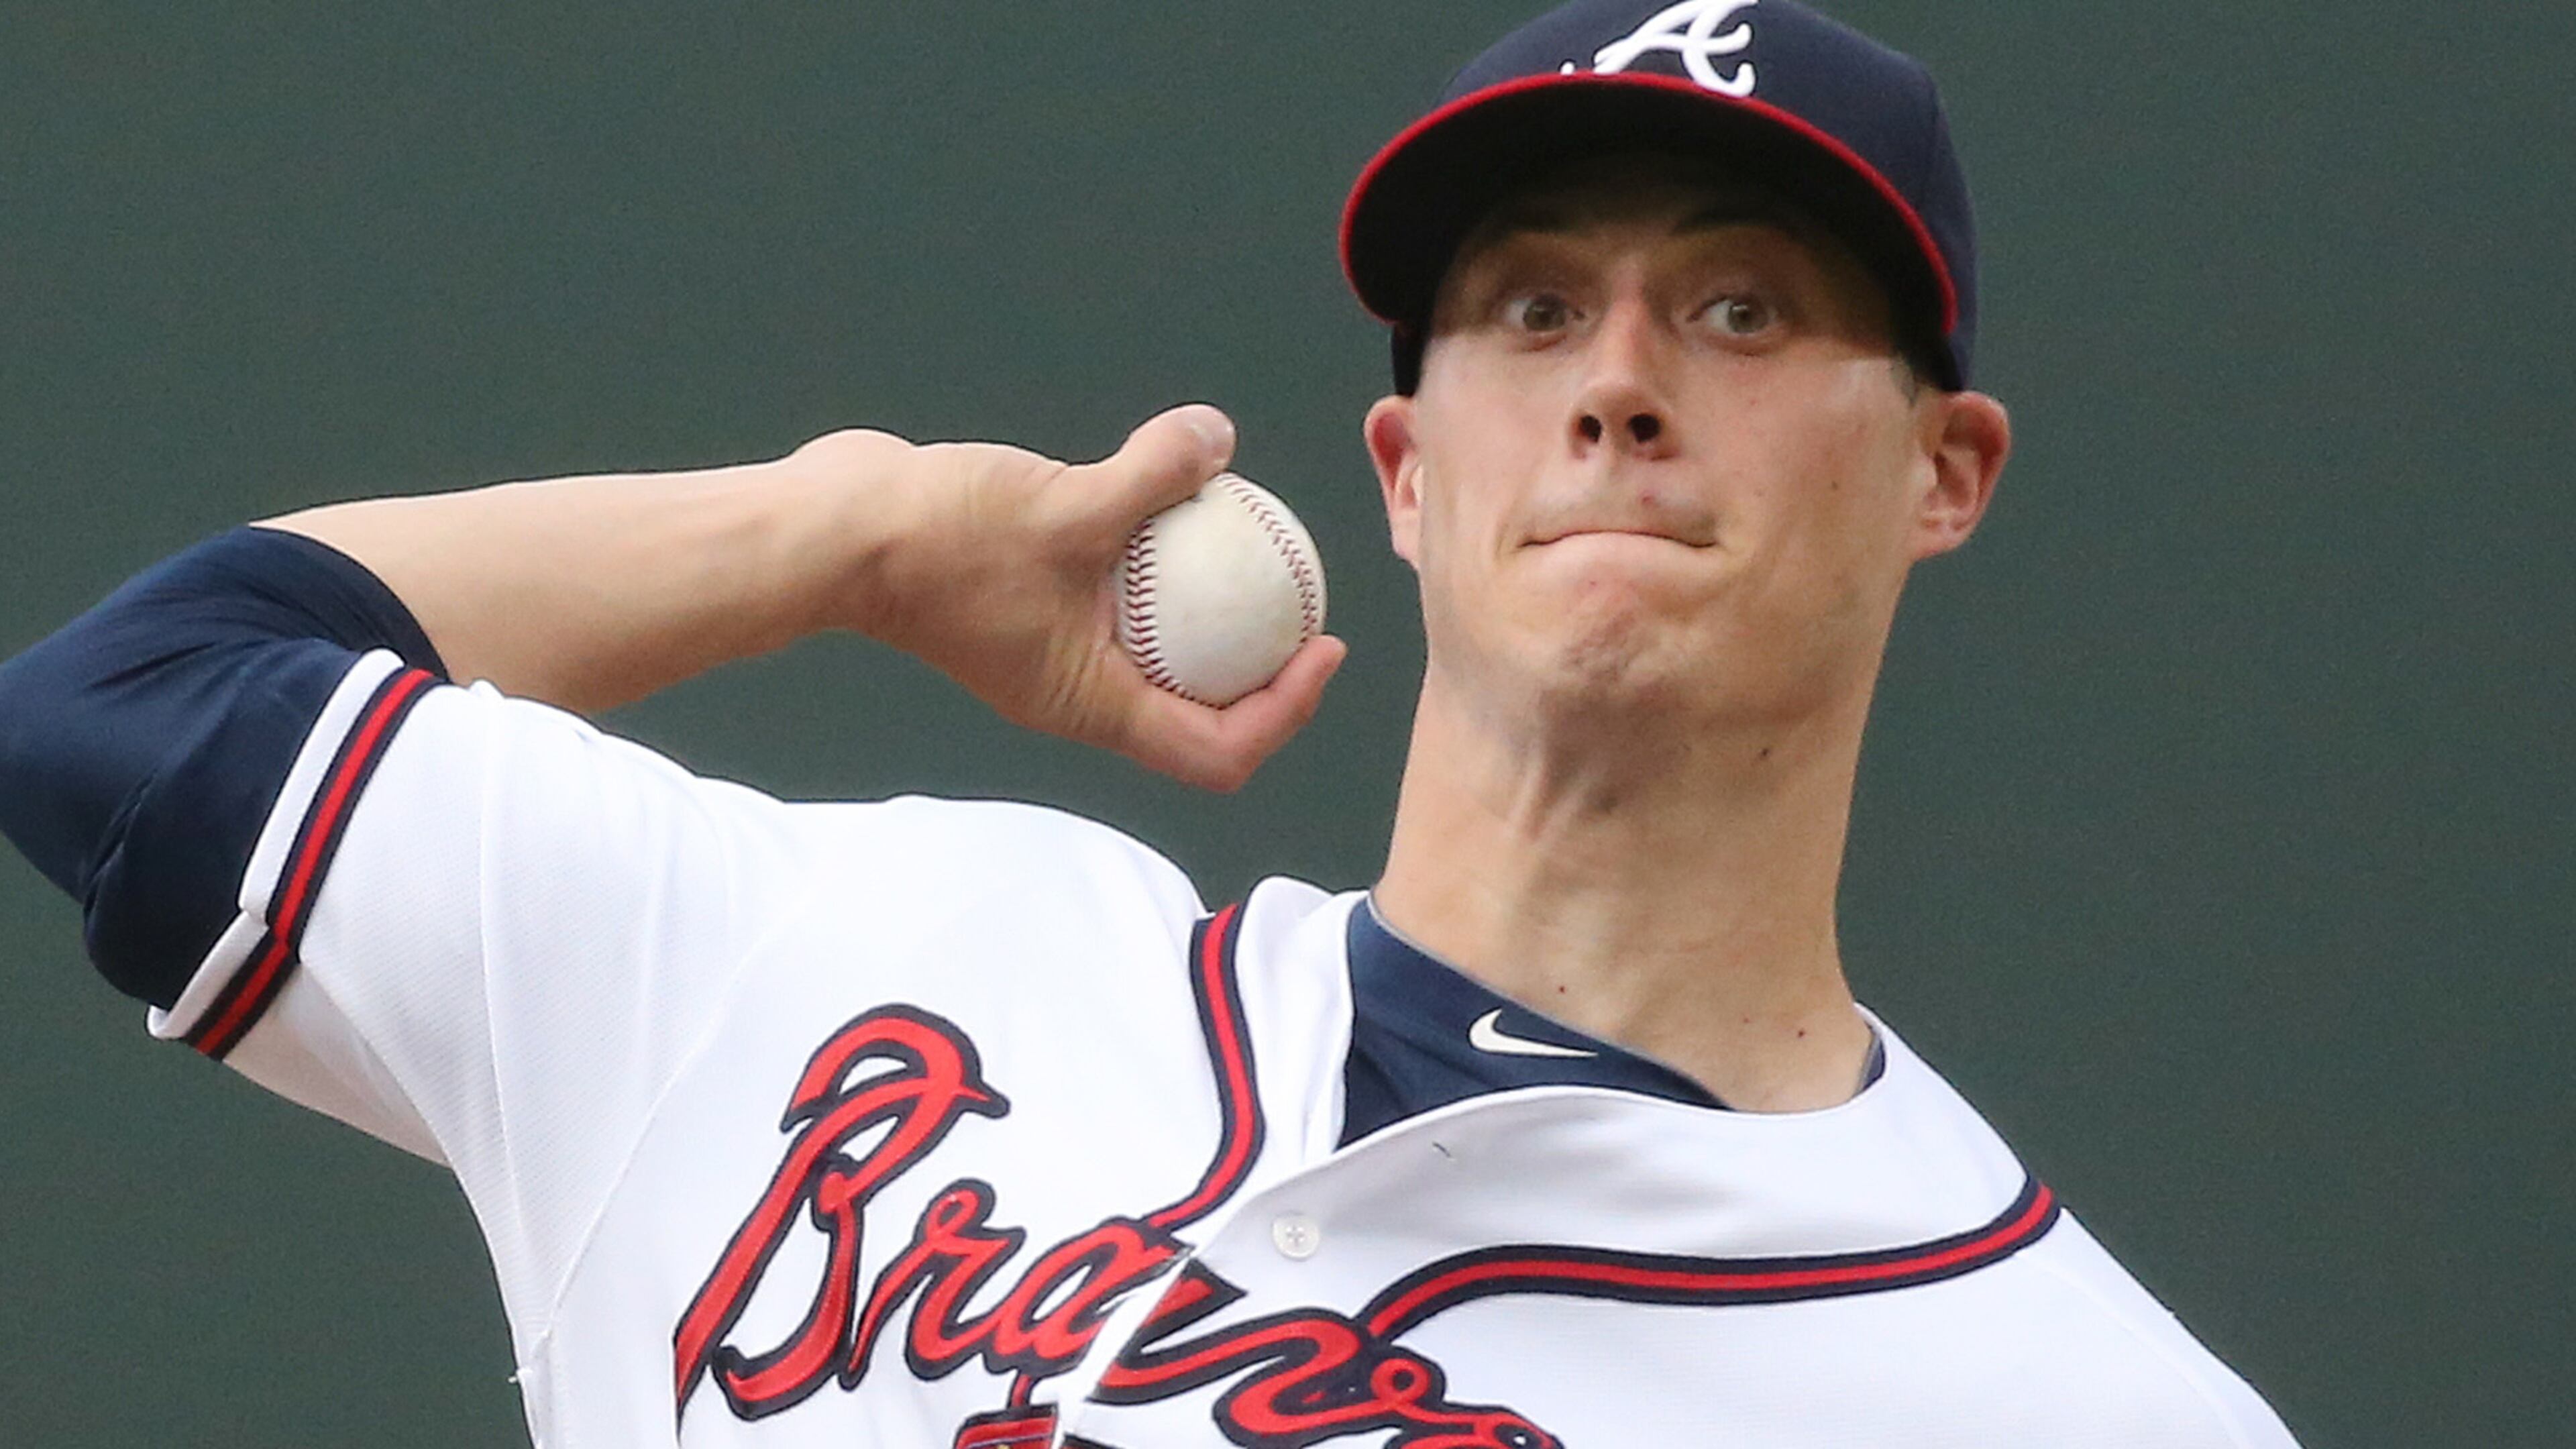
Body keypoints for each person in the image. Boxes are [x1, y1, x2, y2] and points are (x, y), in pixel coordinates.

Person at [0, 1, 2300, 1444]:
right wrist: (859, 530)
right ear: (1403, 478)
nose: (1616, 385)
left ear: (1941, 471)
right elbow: (129, 702)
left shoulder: (2070, 1400)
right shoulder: (837, 962)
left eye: (1737, 305)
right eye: (1527, 310)